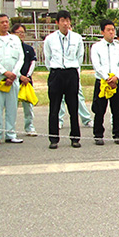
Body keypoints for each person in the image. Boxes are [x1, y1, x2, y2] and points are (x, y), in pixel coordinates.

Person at [42, 10, 83, 149]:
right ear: (57, 23)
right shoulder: (50, 39)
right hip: (56, 73)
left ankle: (75, 138)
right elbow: (48, 58)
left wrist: (74, 70)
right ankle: (53, 138)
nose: (65, 23)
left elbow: (80, 57)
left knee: (73, 107)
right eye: (62, 21)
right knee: (54, 107)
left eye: (67, 20)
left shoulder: (77, 38)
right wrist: (55, 70)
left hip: (71, 73)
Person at [0, 13, 24, 145]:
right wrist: (4, 72)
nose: (5, 24)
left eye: (7, 22)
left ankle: (11, 133)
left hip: (13, 79)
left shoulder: (15, 39)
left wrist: (13, 74)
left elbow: (20, 58)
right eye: (2, 22)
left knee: (12, 107)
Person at [90, 20, 119, 145]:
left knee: (117, 109)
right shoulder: (96, 47)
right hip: (102, 81)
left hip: (116, 81)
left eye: (113, 29)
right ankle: (98, 134)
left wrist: (116, 77)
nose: (111, 32)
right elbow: (96, 64)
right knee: (99, 109)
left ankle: (117, 133)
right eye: (108, 30)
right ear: (102, 32)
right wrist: (106, 78)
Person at [12, 23, 37, 137]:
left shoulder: (28, 48)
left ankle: (29, 127)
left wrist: (27, 76)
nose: (21, 35)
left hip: (26, 81)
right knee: (11, 106)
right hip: (13, 79)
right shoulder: (11, 48)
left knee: (28, 106)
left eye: (22, 32)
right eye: (18, 32)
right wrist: (18, 76)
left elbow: (33, 62)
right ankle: (10, 130)